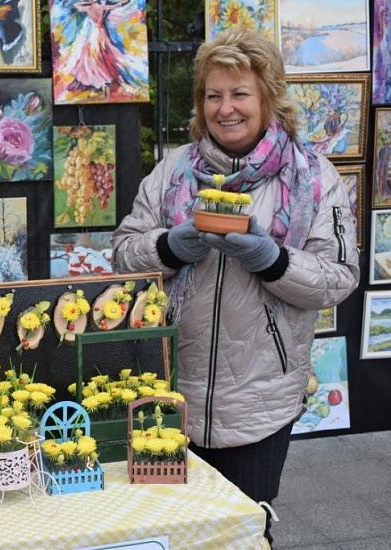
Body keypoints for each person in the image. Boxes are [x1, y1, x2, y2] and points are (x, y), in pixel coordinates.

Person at [110, 29, 359, 545]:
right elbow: (123, 253)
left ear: (268, 96)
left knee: (243, 532)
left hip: (261, 403)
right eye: (213, 94)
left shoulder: (313, 178)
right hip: (167, 393)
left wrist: (272, 259)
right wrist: (171, 248)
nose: (225, 108)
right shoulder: (173, 171)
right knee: (169, 533)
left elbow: (337, 278)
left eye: (240, 93)